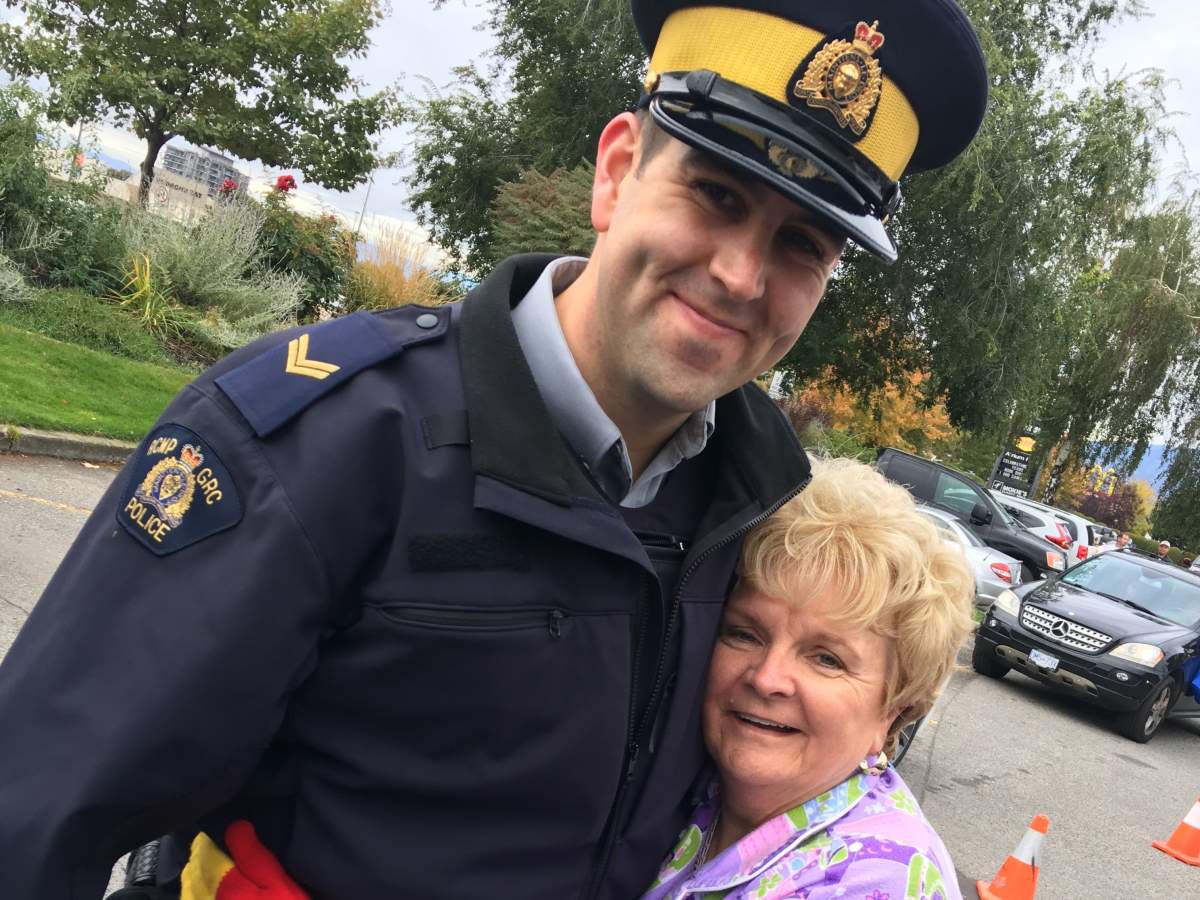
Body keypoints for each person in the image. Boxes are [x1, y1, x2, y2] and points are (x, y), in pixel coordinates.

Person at [0, 1, 988, 898]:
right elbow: (38, 819)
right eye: (716, 196)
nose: (739, 273)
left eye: (800, 247)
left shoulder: (760, 514)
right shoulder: (326, 448)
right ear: (615, 171)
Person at [642, 457, 973, 899]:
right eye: (745, 633)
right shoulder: (687, 777)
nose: (766, 678)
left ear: (892, 711)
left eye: (826, 659)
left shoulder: (874, 883)